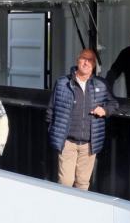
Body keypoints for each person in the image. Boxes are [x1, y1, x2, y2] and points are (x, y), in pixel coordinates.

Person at [47, 49, 118, 190]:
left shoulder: (101, 84)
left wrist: (104, 110)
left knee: (82, 184)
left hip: (89, 144)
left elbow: (114, 104)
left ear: (94, 65)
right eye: (83, 58)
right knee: (65, 183)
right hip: (67, 143)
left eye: (90, 60)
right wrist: (53, 133)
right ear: (77, 60)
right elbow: (51, 110)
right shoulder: (62, 83)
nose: (86, 62)